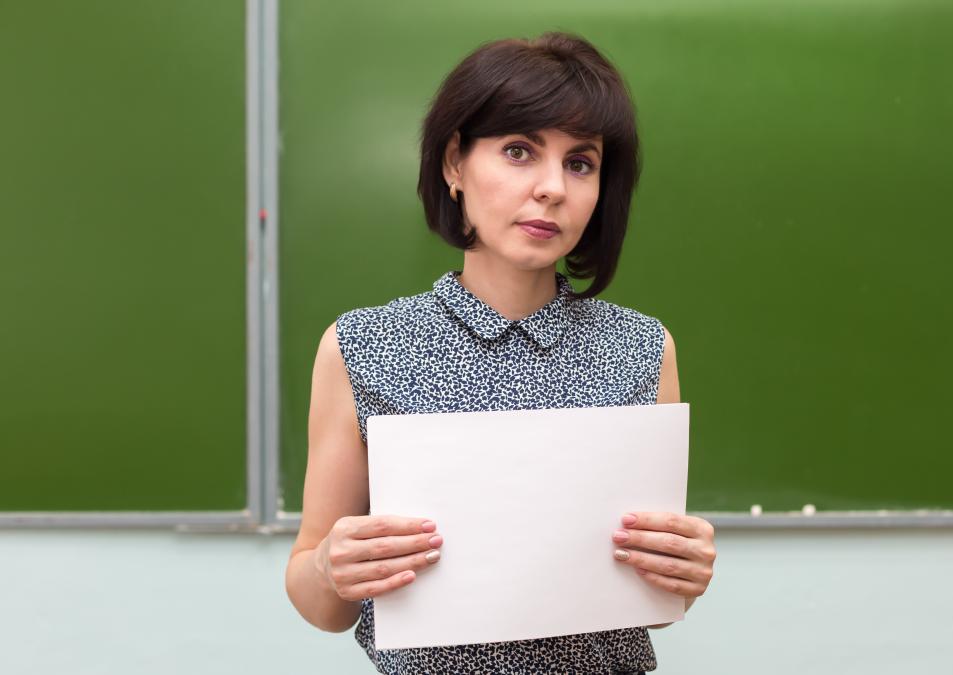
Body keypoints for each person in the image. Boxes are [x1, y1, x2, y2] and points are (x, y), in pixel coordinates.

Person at [285, 32, 717, 674]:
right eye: (519, 151)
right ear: (454, 164)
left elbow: (647, 602)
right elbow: (321, 604)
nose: (552, 188)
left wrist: (681, 570)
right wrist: (329, 567)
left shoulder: (641, 347)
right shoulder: (363, 345)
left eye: (581, 163)